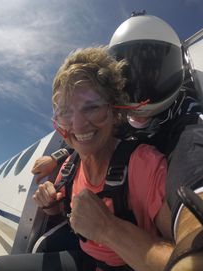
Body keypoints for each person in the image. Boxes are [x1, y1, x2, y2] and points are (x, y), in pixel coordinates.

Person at [31, 13, 203, 270]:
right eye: (127, 72)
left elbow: (193, 176)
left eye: (152, 69)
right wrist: (56, 161)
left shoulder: (185, 129)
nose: (137, 85)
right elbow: (81, 135)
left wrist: (107, 228)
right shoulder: (109, 126)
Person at [0, 46, 173, 271]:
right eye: (65, 113)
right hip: (88, 259)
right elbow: (65, 213)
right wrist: (50, 205)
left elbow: (187, 258)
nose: (78, 124)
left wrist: (108, 228)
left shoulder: (144, 165)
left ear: (115, 112)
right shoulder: (70, 166)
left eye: (92, 107)